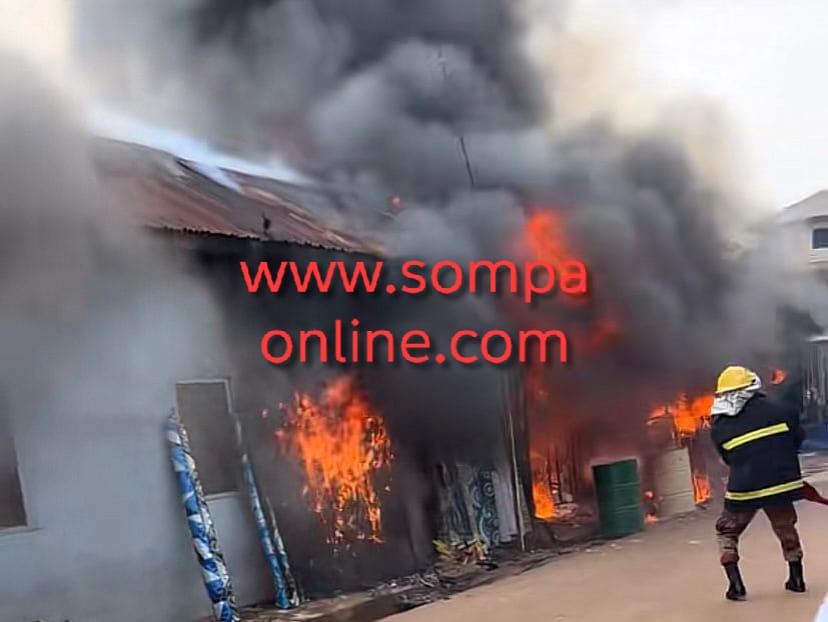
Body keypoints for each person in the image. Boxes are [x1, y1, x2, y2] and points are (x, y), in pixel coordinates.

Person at [710, 365, 806, 601]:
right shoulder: (780, 408)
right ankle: (796, 578)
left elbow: (728, 458)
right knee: (785, 526)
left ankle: (736, 586)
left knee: (727, 531)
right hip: (781, 481)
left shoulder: (720, 425)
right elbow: (797, 437)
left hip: (745, 487)